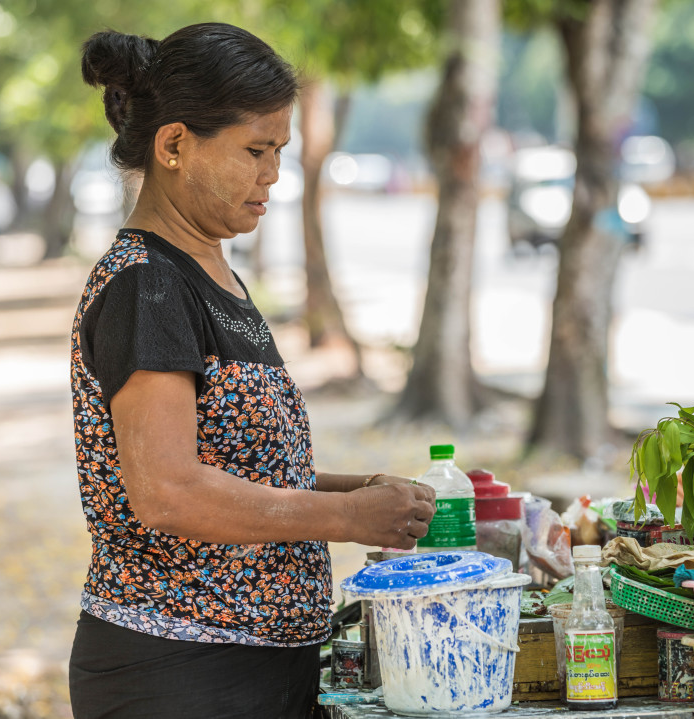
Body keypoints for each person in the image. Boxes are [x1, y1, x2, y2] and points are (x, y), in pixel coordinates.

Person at [70, 23, 435, 718]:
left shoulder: (211, 274)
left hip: (260, 665)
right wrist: (347, 516)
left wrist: (364, 488)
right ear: (174, 145)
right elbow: (167, 489)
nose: (272, 174)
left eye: (280, 152)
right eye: (255, 150)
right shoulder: (147, 286)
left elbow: (236, 469)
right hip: (178, 668)